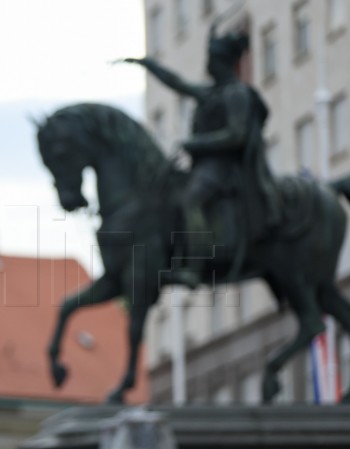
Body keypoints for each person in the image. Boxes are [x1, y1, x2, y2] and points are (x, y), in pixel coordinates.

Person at [116, 24, 280, 287]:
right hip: (204, 166)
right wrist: (147, 64)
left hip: (224, 168)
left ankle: (195, 265)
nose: (208, 64)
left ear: (223, 61)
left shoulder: (235, 93)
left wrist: (197, 143)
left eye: (212, 59)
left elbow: (236, 135)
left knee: (191, 200)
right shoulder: (211, 91)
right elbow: (177, 83)